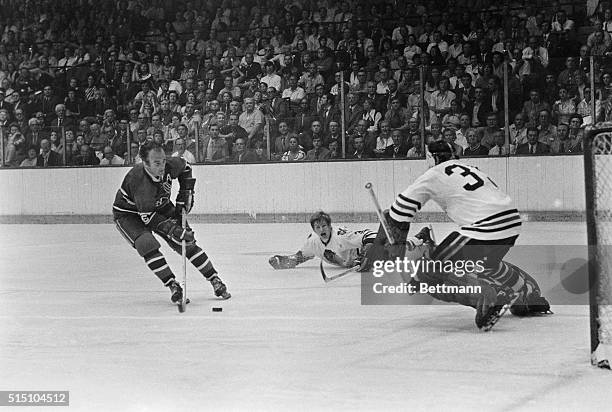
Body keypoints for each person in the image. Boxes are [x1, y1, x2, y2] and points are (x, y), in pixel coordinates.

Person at [365, 141, 550, 330]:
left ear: (432, 158)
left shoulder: (433, 174)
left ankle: (486, 299)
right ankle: (528, 293)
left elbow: (399, 211)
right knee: (485, 265)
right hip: (511, 223)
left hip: (483, 227)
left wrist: (387, 247)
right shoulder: (470, 167)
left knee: (431, 270)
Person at [112, 143, 231, 305]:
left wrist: (185, 192)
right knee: (147, 244)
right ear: (145, 163)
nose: (162, 167)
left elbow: (186, 167)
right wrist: (175, 231)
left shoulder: (168, 164)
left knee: (187, 243)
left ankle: (214, 279)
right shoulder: (138, 180)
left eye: (163, 161)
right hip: (129, 215)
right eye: (157, 163)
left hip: (160, 206)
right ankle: (172, 284)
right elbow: (149, 218)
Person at [268, 211, 376, 270]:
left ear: (329, 226)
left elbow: (371, 235)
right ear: (313, 230)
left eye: (324, 226)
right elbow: (299, 257)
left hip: (367, 258)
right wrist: (284, 261)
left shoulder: (340, 236)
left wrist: (366, 253)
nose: (321, 230)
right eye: (318, 228)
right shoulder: (313, 241)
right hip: (347, 263)